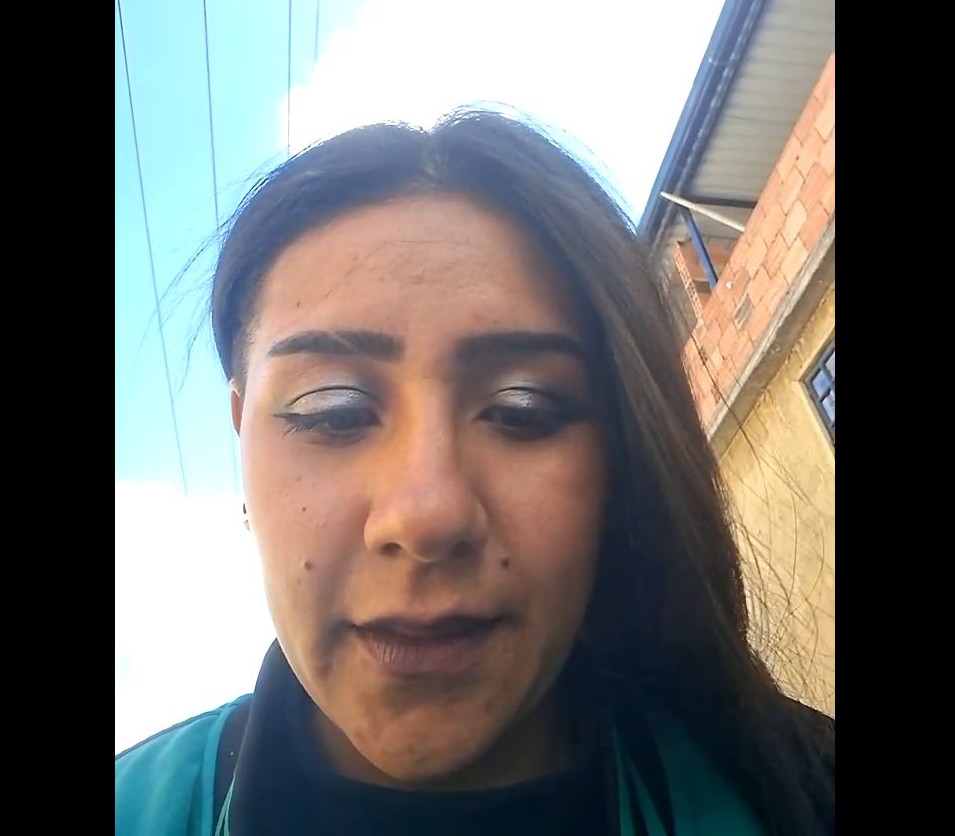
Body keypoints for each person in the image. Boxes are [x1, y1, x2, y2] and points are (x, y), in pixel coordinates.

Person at [115, 109, 834, 835]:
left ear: (618, 455)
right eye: (334, 411)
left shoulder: (801, 794)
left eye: (523, 409)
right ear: (244, 436)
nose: (427, 515)